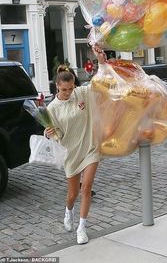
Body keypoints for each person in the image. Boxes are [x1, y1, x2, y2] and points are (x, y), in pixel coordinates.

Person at [45, 46, 106, 245]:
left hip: (90, 147)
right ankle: (68, 211)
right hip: (70, 153)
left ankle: (82, 228)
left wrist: (101, 61)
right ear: (57, 87)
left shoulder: (81, 94)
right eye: (64, 90)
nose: (68, 93)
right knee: (72, 194)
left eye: (71, 88)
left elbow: (99, 81)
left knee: (86, 188)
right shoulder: (52, 108)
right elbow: (58, 135)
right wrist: (50, 134)